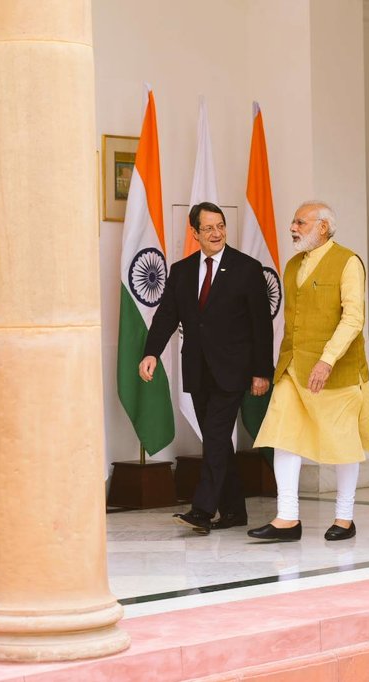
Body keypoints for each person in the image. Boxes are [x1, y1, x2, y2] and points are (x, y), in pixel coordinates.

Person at [139, 202, 273, 535]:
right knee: (218, 441)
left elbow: (261, 325)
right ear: (195, 233)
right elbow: (166, 315)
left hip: (233, 370)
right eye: (209, 228)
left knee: (214, 436)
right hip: (198, 369)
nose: (217, 233)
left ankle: (202, 510)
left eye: (221, 226)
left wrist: (262, 371)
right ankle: (234, 510)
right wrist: (151, 352)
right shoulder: (182, 271)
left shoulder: (247, 268)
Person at [249, 201, 369, 542]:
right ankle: (287, 518)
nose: (293, 228)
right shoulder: (292, 265)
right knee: (283, 436)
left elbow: (353, 318)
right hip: (292, 367)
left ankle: (345, 518)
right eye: (293, 222)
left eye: (300, 222)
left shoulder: (348, 262)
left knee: (343, 443)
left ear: (322, 227)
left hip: (337, 370)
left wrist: (327, 359)